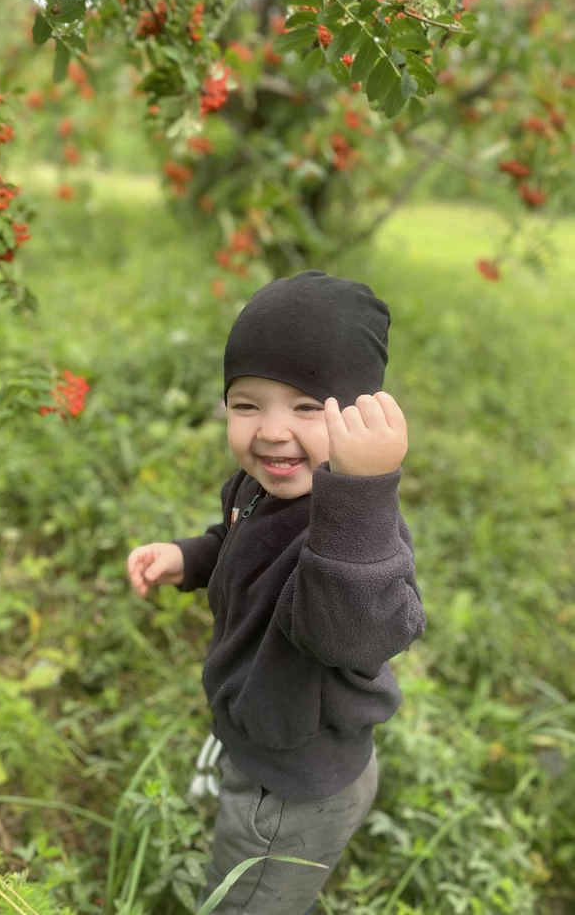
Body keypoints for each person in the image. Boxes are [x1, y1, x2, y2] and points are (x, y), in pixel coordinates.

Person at [126, 270, 426, 914]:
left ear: (359, 419)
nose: (270, 430)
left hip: (292, 789)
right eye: (247, 404)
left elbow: (350, 634)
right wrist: (191, 557)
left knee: (248, 902)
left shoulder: (357, 532)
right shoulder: (260, 487)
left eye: (307, 407)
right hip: (266, 740)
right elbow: (241, 540)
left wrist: (362, 493)